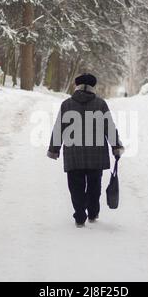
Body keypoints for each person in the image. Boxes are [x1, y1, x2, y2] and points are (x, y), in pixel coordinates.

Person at [47, 73, 124, 228]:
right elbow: (109, 127)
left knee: (76, 186)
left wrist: (54, 149)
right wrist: (116, 146)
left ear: (77, 86)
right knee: (94, 186)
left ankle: (80, 216)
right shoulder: (100, 104)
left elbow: (58, 129)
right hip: (96, 155)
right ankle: (93, 212)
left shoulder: (67, 105)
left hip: (73, 154)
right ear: (92, 87)